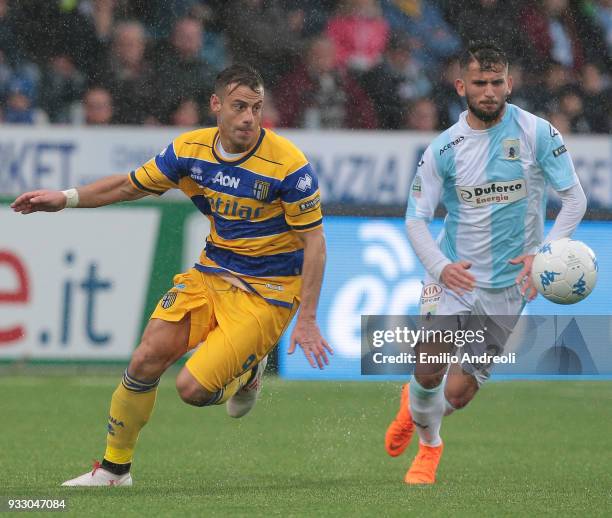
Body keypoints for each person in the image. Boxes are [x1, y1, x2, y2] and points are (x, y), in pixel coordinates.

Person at [11, 64, 332, 486]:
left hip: (268, 292)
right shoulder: (188, 151)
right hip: (212, 273)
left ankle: (246, 375)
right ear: (216, 105)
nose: (249, 118)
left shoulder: (288, 166)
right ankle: (113, 470)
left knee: (192, 390)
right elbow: (128, 186)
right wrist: (65, 198)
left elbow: (316, 244)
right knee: (145, 359)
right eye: (239, 106)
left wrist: (306, 318)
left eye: (256, 107)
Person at [384, 42, 587, 485]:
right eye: (480, 83)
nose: (490, 91)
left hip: (509, 284)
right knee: (429, 362)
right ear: (461, 86)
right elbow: (415, 219)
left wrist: (545, 254)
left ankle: (415, 410)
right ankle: (429, 447)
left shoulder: (538, 134)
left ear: (510, 83)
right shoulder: (444, 149)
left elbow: (575, 198)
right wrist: (440, 268)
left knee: (459, 390)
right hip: (455, 275)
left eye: (497, 82)